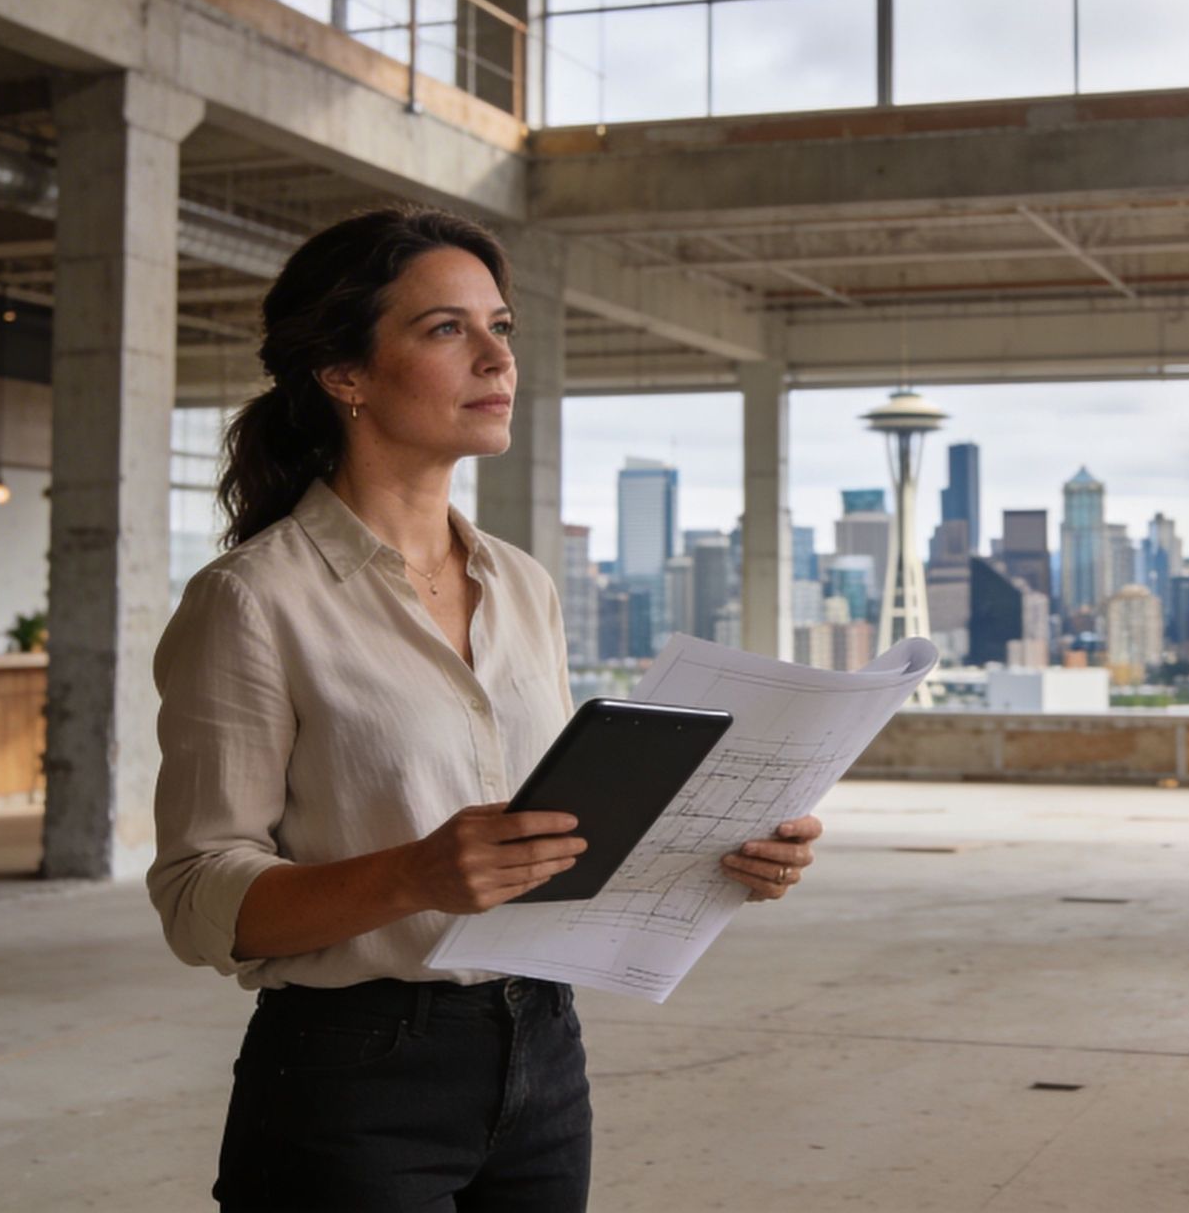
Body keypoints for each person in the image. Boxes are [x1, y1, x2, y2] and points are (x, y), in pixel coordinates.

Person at [147, 206, 822, 1211]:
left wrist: (726, 849)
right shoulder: (253, 598)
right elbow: (200, 899)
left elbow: (547, 838)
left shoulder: (522, 585)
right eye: (445, 329)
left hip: (542, 1051)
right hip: (352, 1078)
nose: (496, 359)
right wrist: (414, 873)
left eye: (499, 326)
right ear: (345, 375)